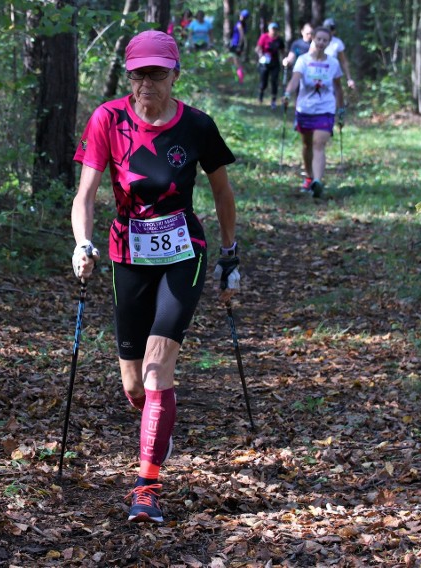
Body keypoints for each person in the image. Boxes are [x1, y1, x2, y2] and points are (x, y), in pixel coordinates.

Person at [71, 30, 240, 524]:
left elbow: (223, 194)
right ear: (130, 75)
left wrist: (230, 254)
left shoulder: (197, 126)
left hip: (184, 252)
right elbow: (85, 193)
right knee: (135, 383)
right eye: (139, 72)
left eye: (157, 73)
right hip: (128, 252)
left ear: (174, 74)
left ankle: (146, 487)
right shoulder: (109, 119)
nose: (148, 82)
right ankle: (156, 414)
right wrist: (83, 243)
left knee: (158, 363)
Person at [282, 26, 345, 198]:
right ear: (313, 40)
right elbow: (295, 80)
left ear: (329, 42)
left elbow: (338, 88)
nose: (321, 43)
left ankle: (317, 181)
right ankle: (309, 177)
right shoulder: (302, 60)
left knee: (319, 144)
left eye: (325, 40)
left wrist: (341, 108)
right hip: (305, 109)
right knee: (307, 144)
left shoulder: (333, 63)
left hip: (325, 109)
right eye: (319, 39)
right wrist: (287, 93)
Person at [255, 22, 286, 108]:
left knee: (274, 81)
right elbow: (258, 48)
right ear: (269, 29)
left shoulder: (279, 39)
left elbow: (283, 51)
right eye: (272, 29)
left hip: (275, 63)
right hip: (264, 63)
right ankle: (260, 97)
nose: (274, 31)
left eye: (275, 29)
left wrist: (285, 60)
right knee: (263, 81)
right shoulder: (264, 37)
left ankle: (273, 101)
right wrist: (261, 56)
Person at [319, 18, 355, 90]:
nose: (329, 31)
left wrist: (349, 78)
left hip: (332, 75)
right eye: (327, 28)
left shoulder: (337, 43)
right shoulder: (318, 41)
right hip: (318, 74)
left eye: (332, 28)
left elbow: (343, 61)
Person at [229, 10, 250, 83]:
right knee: (233, 61)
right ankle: (237, 78)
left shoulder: (240, 24)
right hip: (235, 44)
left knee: (236, 62)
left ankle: (239, 79)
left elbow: (241, 36)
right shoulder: (244, 25)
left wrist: (239, 45)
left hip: (236, 45)